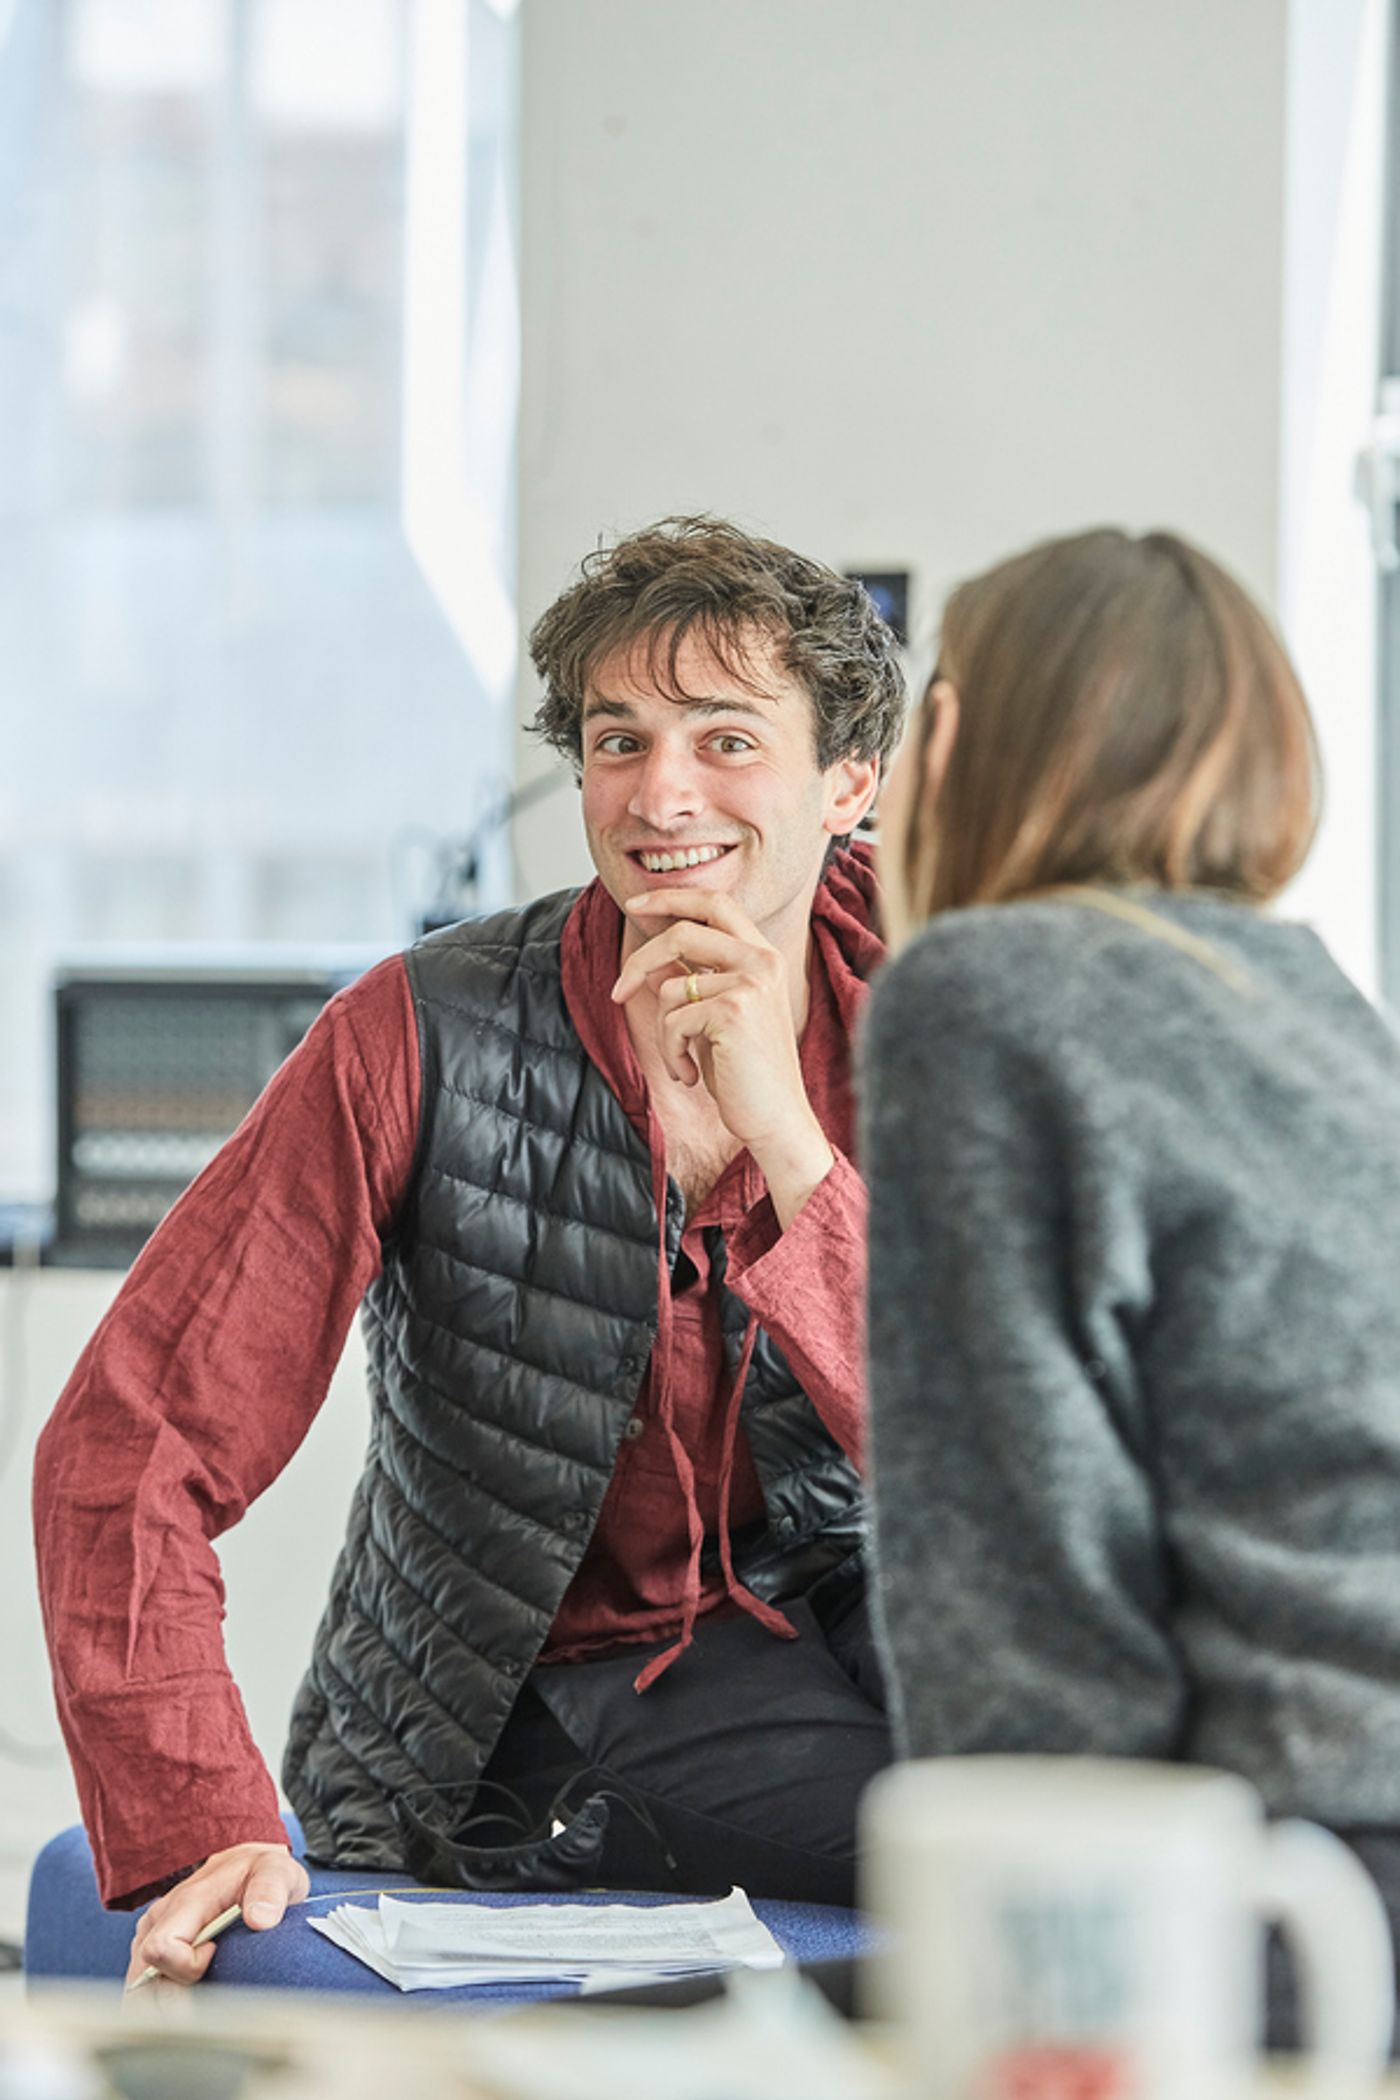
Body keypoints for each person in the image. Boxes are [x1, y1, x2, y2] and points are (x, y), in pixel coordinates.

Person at [34, 515, 907, 1987]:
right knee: (957, 1851)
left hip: (851, 1611)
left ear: (851, 781)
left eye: (726, 739)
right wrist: (197, 1814)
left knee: (1178, 1812)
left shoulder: (927, 995)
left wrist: (791, 1143)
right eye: (619, 741)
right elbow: (126, 1449)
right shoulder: (421, 1029)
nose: (661, 794)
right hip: (537, 1694)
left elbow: (1004, 1454)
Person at [860, 525, 1400, 1983]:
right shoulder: (1303, 996)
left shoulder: (977, 996)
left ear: (956, 734)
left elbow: (1023, 1605)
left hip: (1317, 1874)